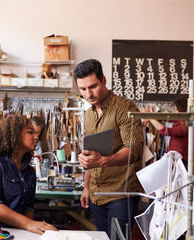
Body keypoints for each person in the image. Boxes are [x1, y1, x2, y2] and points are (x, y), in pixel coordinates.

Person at [73, 59, 144, 238]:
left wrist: (103, 161)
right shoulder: (88, 114)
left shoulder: (124, 107)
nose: (88, 94)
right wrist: (87, 187)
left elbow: (134, 149)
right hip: (97, 194)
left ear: (104, 81)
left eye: (93, 86)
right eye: (83, 89)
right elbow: (91, 154)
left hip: (120, 193)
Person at [0, 114, 58, 235]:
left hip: (18, 231)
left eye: (37, 134)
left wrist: (27, 227)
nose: (36, 137)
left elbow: (29, 208)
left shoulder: (30, 172)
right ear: (14, 135)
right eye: (30, 132)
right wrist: (28, 224)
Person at [141, 96, 189, 166]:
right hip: (174, 158)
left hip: (181, 161)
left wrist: (149, 116)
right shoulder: (181, 120)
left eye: (176, 110)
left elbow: (164, 131)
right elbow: (165, 118)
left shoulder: (186, 127)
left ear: (182, 110)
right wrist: (150, 117)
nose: (175, 112)